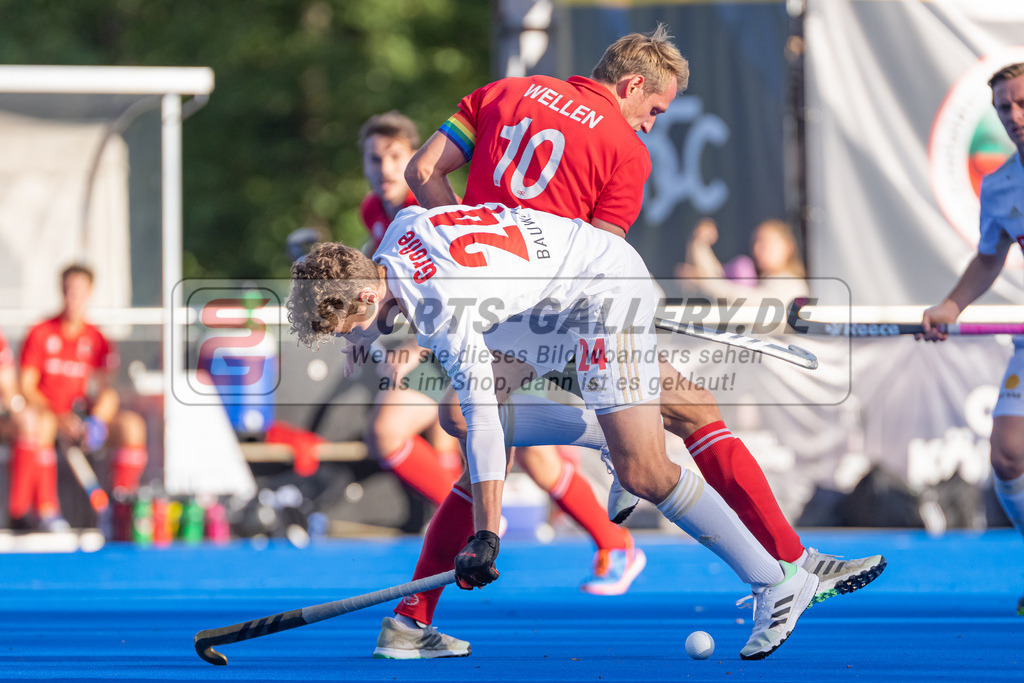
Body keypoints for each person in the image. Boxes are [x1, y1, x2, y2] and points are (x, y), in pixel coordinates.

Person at [396, 22, 885, 651]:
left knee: (480, 422)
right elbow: (602, 258)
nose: (651, 124)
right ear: (630, 85)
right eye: (653, 109)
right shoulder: (625, 150)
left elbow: (423, 170)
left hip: (500, 302)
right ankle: (783, 568)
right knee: (645, 446)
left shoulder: (502, 92)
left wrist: (472, 238)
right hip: (570, 308)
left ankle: (411, 618)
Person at [287, 202, 820, 660]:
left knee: (644, 470)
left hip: (601, 292)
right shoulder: (402, 229)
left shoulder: (440, 310)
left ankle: (777, 581)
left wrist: (487, 535)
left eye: (344, 330)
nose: (347, 340)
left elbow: (487, 427)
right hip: (552, 295)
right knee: (453, 415)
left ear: (362, 298)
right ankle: (605, 434)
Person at [355, 110, 645, 594]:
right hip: (447, 337)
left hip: (485, 325)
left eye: (395, 157)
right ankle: (603, 536)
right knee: (455, 435)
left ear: (412, 155)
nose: (384, 169)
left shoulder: (416, 201)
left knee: (492, 438)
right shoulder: (374, 209)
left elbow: (444, 274)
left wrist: (408, 337)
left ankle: (599, 534)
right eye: (373, 158)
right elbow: (380, 270)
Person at [918, 61, 1024, 615]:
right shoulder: (1002, 181)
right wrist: (952, 305)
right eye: (1004, 107)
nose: (1013, 116)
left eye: (1022, 104)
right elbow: (989, 258)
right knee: (1008, 458)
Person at [17, 265, 149, 529]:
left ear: (89, 293)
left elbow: (105, 390)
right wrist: (58, 416)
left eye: (79, 291)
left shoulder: (97, 339)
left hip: (81, 419)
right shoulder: (41, 332)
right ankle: (45, 512)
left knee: (132, 427)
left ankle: (121, 508)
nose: (73, 297)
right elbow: (27, 387)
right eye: (68, 290)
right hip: (49, 416)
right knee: (41, 424)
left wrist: (97, 421)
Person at [677, 217, 809, 306]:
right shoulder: (758, 280)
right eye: (755, 242)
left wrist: (704, 282)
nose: (757, 248)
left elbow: (748, 300)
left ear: (787, 247)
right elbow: (718, 278)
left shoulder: (792, 285)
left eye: (765, 242)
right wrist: (700, 244)